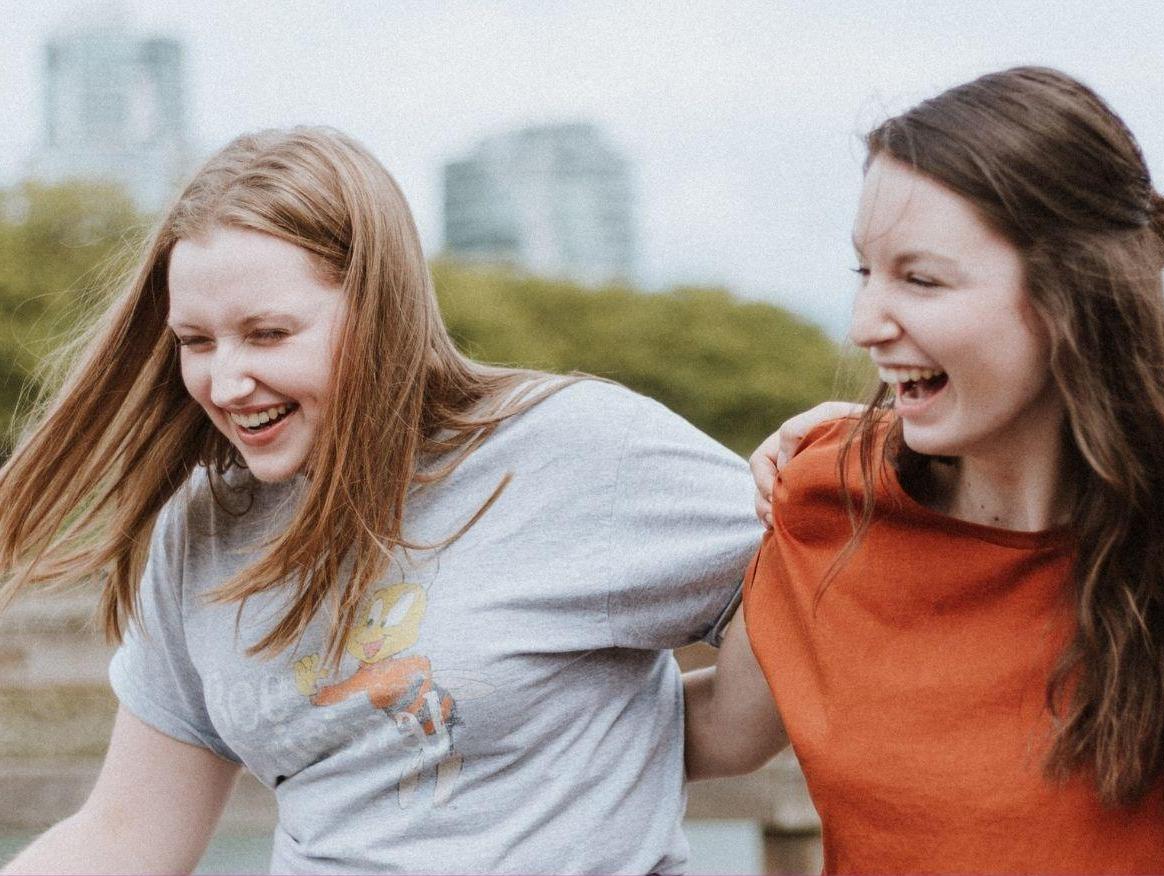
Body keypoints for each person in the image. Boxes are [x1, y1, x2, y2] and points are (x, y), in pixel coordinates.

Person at [0, 127, 763, 875]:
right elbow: (127, 836)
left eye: (267, 335)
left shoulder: (580, 448)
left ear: (378, 311)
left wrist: (633, 737)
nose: (224, 383)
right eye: (197, 341)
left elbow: (812, 599)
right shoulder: (202, 527)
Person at [684, 67, 1164, 874]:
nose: (864, 325)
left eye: (920, 278)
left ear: (1077, 295)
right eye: (863, 273)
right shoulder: (827, 500)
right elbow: (712, 733)